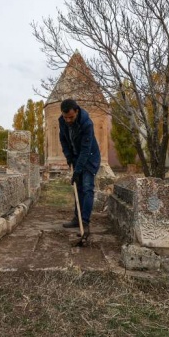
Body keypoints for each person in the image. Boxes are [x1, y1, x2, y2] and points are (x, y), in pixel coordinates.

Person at [58, 98, 101, 243]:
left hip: (90, 157)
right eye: (65, 117)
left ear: (77, 111)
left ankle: (86, 223)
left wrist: (77, 171)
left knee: (88, 188)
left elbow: (85, 149)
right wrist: (69, 157)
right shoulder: (62, 120)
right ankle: (77, 219)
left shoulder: (86, 123)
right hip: (76, 157)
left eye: (71, 117)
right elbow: (63, 140)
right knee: (78, 188)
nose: (68, 120)